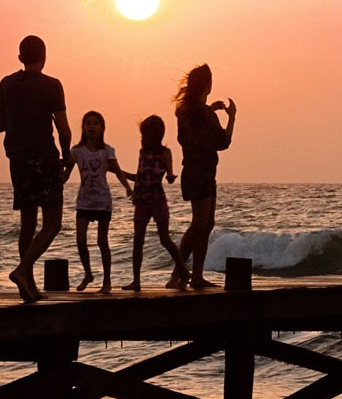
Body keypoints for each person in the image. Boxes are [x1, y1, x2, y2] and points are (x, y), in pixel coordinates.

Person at [0, 35, 71, 303]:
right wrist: (67, 156)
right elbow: (64, 129)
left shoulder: (6, 84)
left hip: (17, 160)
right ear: (45, 56)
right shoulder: (53, 86)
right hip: (45, 159)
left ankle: (28, 286)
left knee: (27, 222)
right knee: (52, 223)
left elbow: (0, 125)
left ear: (20, 58)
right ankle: (23, 270)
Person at [171, 64, 236, 289]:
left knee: (207, 224)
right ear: (207, 84)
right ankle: (178, 274)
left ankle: (195, 275)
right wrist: (232, 117)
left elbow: (196, 130)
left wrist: (210, 108)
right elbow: (223, 142)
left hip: (194, 171)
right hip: (203, 173)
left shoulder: (186, 111)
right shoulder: (203, 114)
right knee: (200, 224)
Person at [61, 111, 134, 293]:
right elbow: (66, 173)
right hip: (84, 201)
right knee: (80, 239)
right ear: (83, 128)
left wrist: (128, 188)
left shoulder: (107, 150)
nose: (91, 126)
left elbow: (117, 171)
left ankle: (107, 282)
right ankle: (88, 274)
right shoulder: (76, 151)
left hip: (103, 201)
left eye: (95, 123)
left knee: (102, 241)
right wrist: (55, 186)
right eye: (88, 123)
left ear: (102, 128)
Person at [124, 115, 190, 291]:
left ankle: (183, 270)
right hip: (141, 202)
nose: (143, 138)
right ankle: (136, 281)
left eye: (146, 134)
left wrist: (170, 176)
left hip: (157, 200)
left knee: (165, 239)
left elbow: (168, 176)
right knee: (138, 240)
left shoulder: (164, 153)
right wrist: (120, 173)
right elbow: (140, 177)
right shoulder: (142, 152)